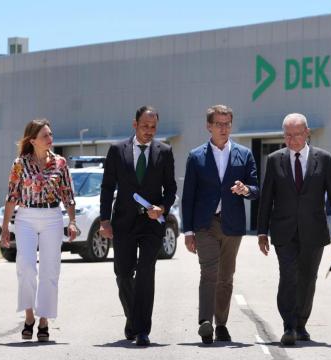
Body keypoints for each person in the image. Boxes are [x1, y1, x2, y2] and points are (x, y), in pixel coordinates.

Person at [257, 113, 331, 346]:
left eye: (297, 135)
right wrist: (261, 232)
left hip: (314, 231)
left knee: (308, 278)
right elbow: (266, 198)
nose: (292, 140)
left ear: (307, 132)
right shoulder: (275, 159)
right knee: (288, 276)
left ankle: (301, 324)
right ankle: (288, 325)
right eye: (287, 136)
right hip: (283, 231)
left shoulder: (325, 159)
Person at [99, 106, 177, 346]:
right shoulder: (116, 150)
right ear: (135, 125)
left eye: (153, 127)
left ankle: (142, 329)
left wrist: (162, 208)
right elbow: (107, 186)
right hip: (123, 222)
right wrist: (104, 220)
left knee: (145, 273)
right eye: (145, 126)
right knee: (122, 273)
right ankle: (133, 318)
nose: (149, 131)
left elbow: (171, 189)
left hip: (152, 224)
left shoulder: (165, 151)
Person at [182, 105, 259, 344]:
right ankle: (205, 322)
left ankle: (221, 324)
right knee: (209, 273)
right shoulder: (196, 156)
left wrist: (246, 190)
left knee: (226, 276)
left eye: (227, 124)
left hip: (232, 224)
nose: (223, 128)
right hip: (205, 224)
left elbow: (256, 189)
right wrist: (188, 231)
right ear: (209, 126)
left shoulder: (244, 154)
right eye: (219, 124)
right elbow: (189, 196)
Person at [1, 118, 78, 342]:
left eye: (51, 135)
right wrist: (6, 226)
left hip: (53, 217)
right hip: (25, 217)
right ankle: (28, 317)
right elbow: (11, 196)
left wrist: (72, 221)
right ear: (32, 140)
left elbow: (68, 195)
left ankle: (43, 320)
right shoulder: (19, 164)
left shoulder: (61, 163)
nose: (50, 139)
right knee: (25, 265)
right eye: (45, 135)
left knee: (50, 270)